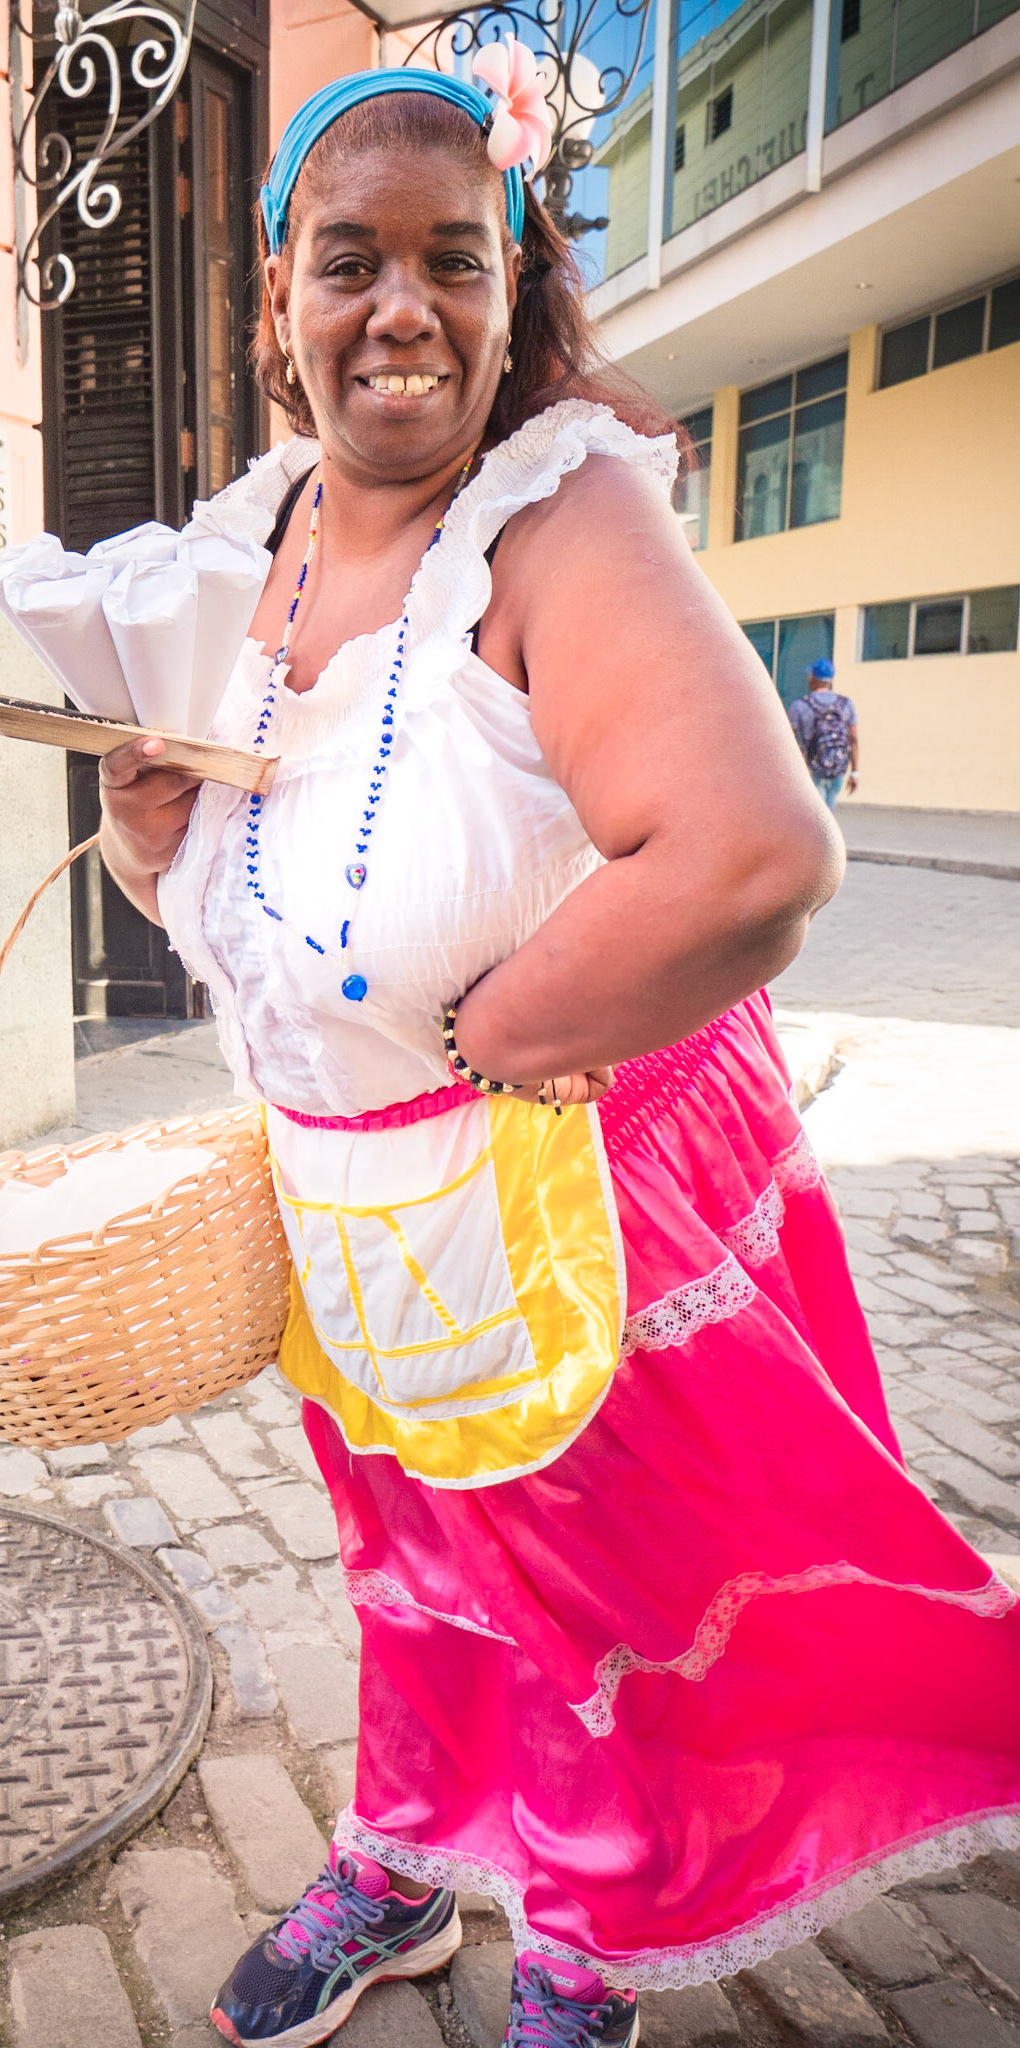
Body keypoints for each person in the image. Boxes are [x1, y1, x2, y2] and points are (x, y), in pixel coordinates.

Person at [96, 56, 1020, 2048]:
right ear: (279, 300)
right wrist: (147, 848)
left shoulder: (559, 517)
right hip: (345, 1203)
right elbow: (266, 895)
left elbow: (758, 853)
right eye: (350, 263)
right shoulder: (248, 560)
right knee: (411, 1558)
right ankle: (411, 1857)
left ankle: (584, 1951)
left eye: (455, 258)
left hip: (537, 1196)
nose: (400, 308)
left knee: (576, 1591)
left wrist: (499, 1029)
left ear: (515, 291)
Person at [788, 657, 859, 809]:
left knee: (815, 812)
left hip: (813, 767)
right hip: (838, 767)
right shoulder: (846, 704)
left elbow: (788, 740)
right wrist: (855, 772)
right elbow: (853, 739)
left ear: (813, 677)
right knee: (829, 809)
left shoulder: (800, 705)